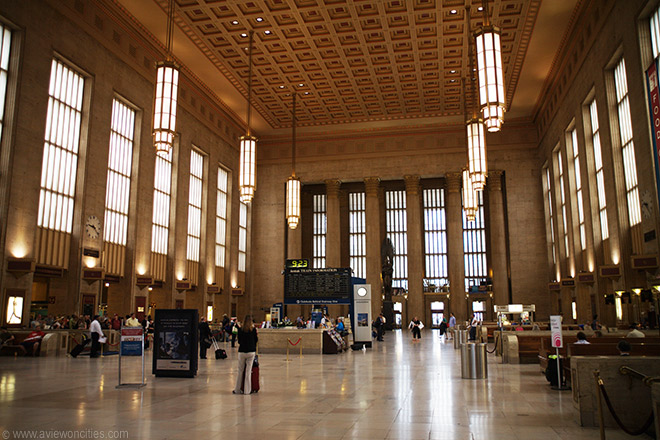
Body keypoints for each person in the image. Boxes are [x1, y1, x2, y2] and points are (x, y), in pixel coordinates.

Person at [233, 315, 258, 395]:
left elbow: (239, 341)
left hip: (242, 351)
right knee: (248, 371)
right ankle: (247, 390)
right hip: (251, 351)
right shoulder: (253, 330)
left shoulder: (240, 330)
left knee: (240, 371)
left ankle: (237, 389)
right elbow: (256, 340)